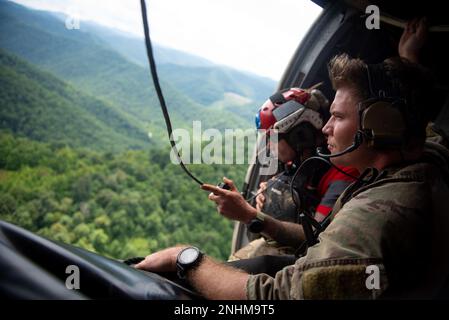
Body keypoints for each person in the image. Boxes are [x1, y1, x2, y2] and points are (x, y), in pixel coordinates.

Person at [135, 20, 449, 299]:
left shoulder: (373, 217)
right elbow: (423, 126)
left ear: (379, 126)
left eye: (338, 117)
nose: (327, 127)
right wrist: (408, 58)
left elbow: (273, 296)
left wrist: (185, 257)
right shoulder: (426, 155)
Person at [229, 87, 358, 261]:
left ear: (300, 136)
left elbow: (317, 236)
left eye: (273, 138)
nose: (269, 146)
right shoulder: (300, 163)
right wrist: (270, 192)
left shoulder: (345, 172)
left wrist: (253, 216)